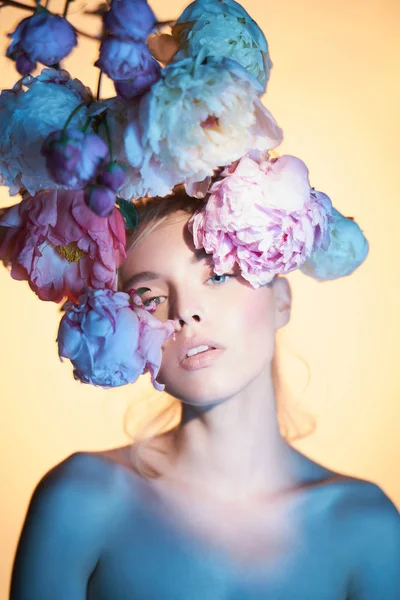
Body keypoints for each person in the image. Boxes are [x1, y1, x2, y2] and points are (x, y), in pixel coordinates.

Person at [9, 189, 400, 599]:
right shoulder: (82, 499)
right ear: (127, 332)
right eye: (151, 298)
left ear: (281, 300)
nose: (184, 310)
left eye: (216, 275)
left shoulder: (366, 525)